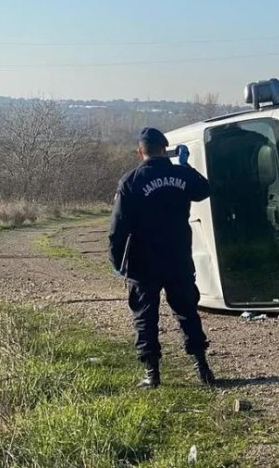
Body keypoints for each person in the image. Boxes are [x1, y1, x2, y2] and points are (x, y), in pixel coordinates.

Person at [109, 127, 215, 388]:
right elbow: (203, 190)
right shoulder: (180, 174)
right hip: (178, 256)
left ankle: (151, 374)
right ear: (164, 148)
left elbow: (118, 226)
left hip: (142, 261)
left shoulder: (131, 180)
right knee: (187, 311)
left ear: (139, 152)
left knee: (145, 315)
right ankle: (202, 369)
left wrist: (116, 259)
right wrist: (184, 166)